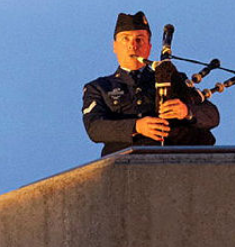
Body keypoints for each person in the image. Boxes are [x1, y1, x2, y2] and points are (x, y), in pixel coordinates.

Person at [82, 11, 219, 155]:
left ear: (149, 47)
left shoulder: (171, 78)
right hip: (123, 168)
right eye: (125, 39)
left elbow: (212, 116)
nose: (133, 45)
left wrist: (186, 112)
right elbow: (94, 128)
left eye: (139, 39)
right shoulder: (99, 87)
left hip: (175, 165)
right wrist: (136, 127)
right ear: (114, 46)